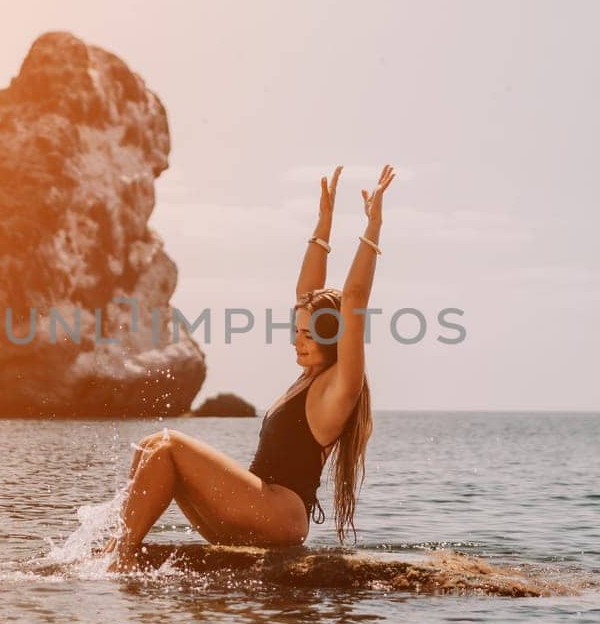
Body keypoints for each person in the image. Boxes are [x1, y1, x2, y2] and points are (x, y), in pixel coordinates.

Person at [100, 164, 392, 572]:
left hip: (279, 515)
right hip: (257, 510)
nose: (297, 340)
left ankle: (120, 557)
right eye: (296, 330)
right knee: (151, 443)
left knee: (168, 446)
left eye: (308, 334)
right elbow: (305, 292)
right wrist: (323, 226)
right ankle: (119, 547)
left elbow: (354, 300)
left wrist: (373, 226)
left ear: (333, 337)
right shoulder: (308, 379)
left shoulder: (339, 387)